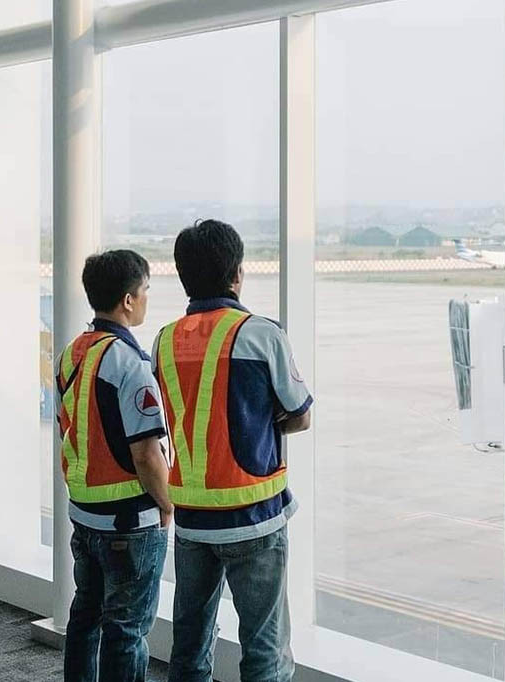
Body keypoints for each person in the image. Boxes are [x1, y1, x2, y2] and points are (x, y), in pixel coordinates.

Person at [157, 220, 312, 682]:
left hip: (191, 520)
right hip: (253, 517)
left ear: (184, 275)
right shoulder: (261, 334)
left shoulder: (164, 339)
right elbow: (300, 414)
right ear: (237, 274)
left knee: (189, 644)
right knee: (263, 650)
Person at [57, 249, 173, 682]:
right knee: (126, 630)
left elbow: (66, 432)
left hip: (84, 515)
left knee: (84, 619)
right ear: (128, 300)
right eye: (144, 291)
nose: (145, 299)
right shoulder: (131, 365)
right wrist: (167, 505)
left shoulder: (71, 355)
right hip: (128, 522)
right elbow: (146, 453)